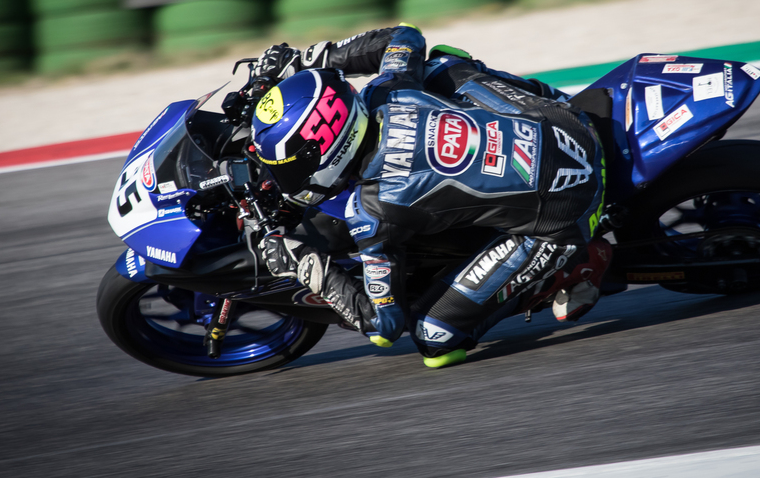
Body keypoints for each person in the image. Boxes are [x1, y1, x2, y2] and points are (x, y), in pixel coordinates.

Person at [252, 24, 612, 368]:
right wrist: (310, 59)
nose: (283, 178)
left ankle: (573, 267)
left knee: (434, 335)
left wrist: (305, 263)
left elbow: (383, 326)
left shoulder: (374, 209)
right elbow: (403, 35)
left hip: (570, 205)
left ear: (329, 146)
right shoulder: (388, 89)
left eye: (288, 168)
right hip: (567, 121)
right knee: (440, 64)